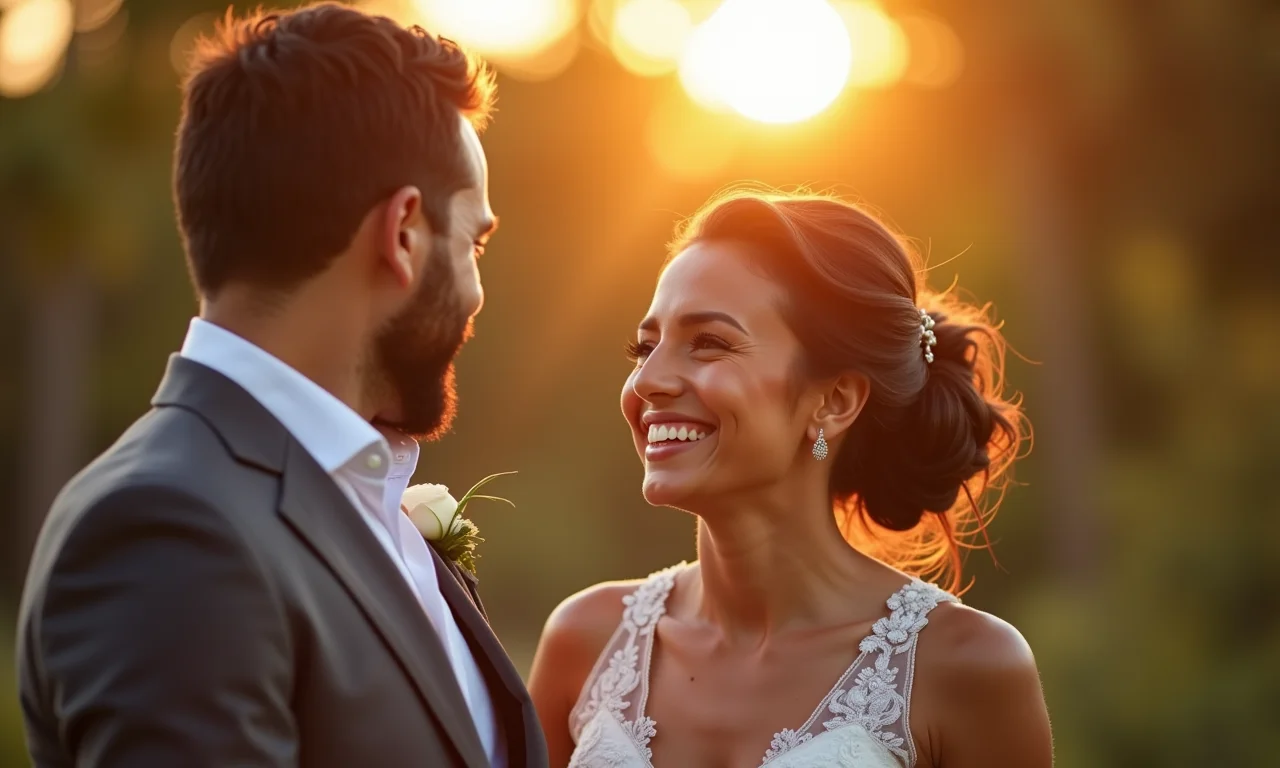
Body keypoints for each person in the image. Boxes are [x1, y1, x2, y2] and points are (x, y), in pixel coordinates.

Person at [16, 5, 547, 767]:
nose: (476, 289)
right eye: (475, 242)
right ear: (403, 234)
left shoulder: (359, 506)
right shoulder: (169, 528)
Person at [529, 190, 1053, 767]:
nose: (648, 380)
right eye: (644, 347)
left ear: (833, 400)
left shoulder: (967, 667)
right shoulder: (584, 640)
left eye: (709, 344)